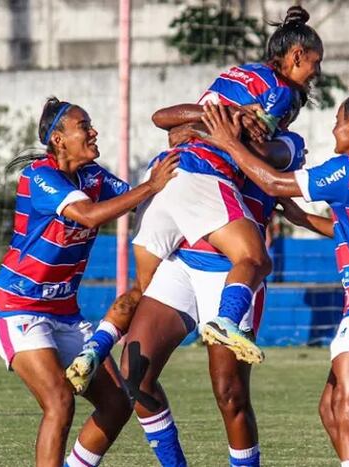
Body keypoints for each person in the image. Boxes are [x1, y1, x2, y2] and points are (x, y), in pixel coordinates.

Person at [66, 6, 324, 388]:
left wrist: (202, 123)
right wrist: (231, 127)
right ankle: (225, 320)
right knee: (255, 259)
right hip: (204, 187)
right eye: (314, 64)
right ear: (297, 56)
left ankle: (94, 348)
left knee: (142, 290)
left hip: (165, 178)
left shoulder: (235, 77)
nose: (315, 73)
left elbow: (163, 118)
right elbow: (256, 155)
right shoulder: (282, 92)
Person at [202, 74, 349, 467]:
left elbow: (273, 182)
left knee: (347, 411)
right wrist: (303, 219)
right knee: (331, 408)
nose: (333, 128)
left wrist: (227, 142)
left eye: (339, 121)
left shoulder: (347, 169)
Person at [0, 97, 178, 467]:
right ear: (58, 139)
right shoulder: (39, 176)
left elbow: (138, 201)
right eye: (84, 126)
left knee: (117, 403)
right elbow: (89, 216)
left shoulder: (93, 176)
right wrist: (151, 186)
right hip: (17, 309)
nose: (94, 132)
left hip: (65, 315)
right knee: (59, 401)